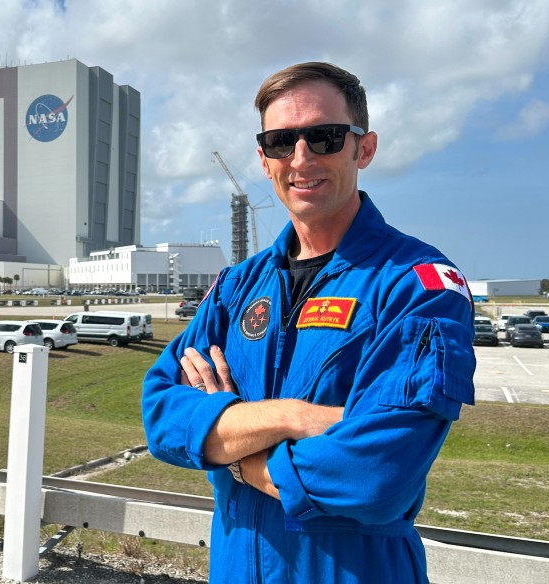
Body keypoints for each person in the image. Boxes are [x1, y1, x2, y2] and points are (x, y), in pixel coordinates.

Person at [141, 62, 476, 583]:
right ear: (263, 158)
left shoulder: (415, 285)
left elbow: (373, 476)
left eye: (324, 137)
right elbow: (163, 417)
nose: (301, 158)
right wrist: (297, 416)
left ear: (363, 148)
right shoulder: (235, 287)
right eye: (281, 141)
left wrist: (234, 455)